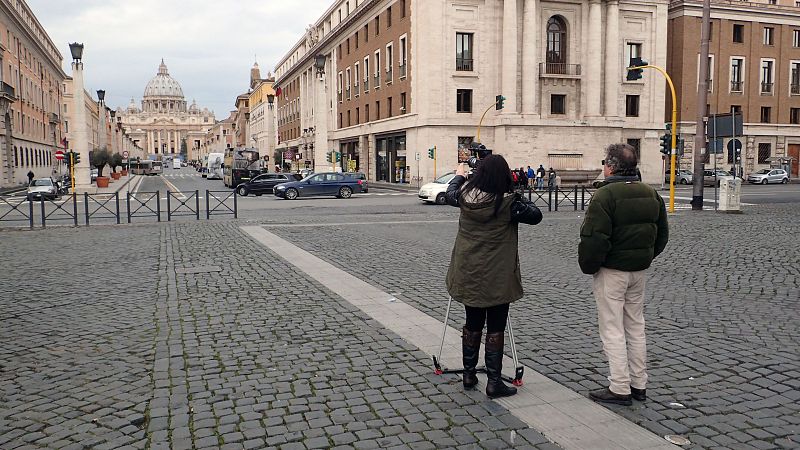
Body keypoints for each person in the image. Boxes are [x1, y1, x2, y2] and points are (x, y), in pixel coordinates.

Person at [578, 143, 669, 406]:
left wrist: (590, 266)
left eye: (604, 162)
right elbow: (661, 234)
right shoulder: (651, 193)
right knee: (636, 326)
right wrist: (645, 256)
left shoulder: (605, 196)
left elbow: (594, 239)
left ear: (611, 166)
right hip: (638, 271)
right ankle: (639, 383)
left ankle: (619, 386)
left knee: (612, 328)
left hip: (612, 270)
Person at [445, 155, 543, 398]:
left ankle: (469, 374)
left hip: (469, 271)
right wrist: (515, 193)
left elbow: (451, 191)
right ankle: (494, 381)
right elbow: (536, 215)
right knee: (496, 327)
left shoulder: (464, 197)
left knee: (473, 322)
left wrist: (459, 174)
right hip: (498, 275)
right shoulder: (509, 204)